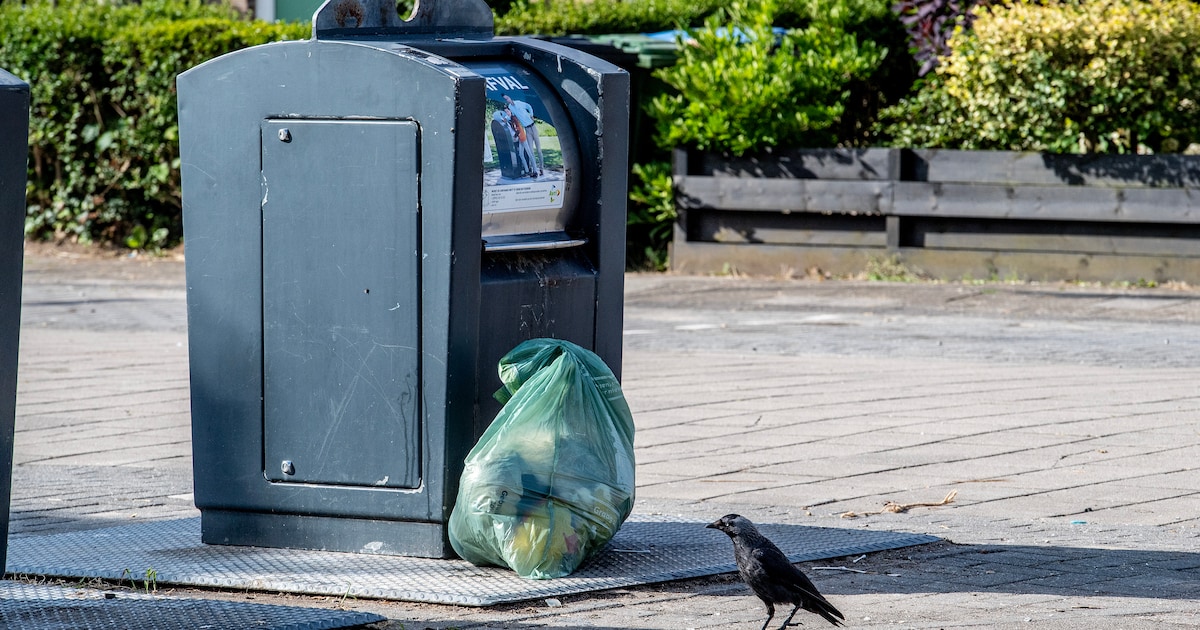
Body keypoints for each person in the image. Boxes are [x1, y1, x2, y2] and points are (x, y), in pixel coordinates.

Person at [504, 94, 544, 176]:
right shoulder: (511, 108)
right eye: (506, 99)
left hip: (533, 127)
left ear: (510, 97)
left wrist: (531, 115)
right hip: (527, 129)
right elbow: (510, 115)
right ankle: (534, 170)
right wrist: (505, 118)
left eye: (507, 98)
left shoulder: (518, 103)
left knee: (539, 150)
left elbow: (528, 106)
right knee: (531, 151)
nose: (507, 100)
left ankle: (541, 168)